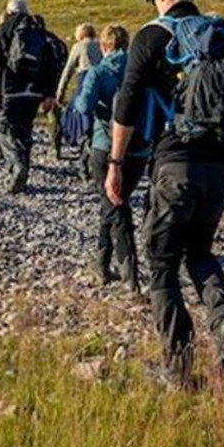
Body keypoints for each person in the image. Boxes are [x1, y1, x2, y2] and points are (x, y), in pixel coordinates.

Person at [105, 0, 224, 384]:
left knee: (161, 262)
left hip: (174, 162)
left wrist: (117, 164)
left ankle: (177, 366)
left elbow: (126, 105)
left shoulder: (152, 36)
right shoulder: (223, 37)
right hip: (220, 164)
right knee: (200, 250)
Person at [72, 24, 144, 291]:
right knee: (113, 202)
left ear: (103, 47)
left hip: (106, 146)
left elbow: (82, 109)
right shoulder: (141, 71)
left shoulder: (99, 71)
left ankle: (130, 275)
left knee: (116, 205)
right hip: (139, 150)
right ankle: (101, 264)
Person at [0, 0, 67, 194]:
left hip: (10, 89)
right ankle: (23, 171)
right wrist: (49, 93)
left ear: (8, 11)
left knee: (4, 129)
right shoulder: (40, 32)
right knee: (25, 130)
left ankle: (17, 166)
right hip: (34, 91)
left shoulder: (5, 29)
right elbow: (50, 64)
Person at [56, 23, 103, 161]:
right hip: (100, 83)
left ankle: (79, 141)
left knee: (78, 112)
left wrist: (60, 91)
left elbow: (68, 70)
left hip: (84, 81)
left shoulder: (79, 47)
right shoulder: (100, 45)